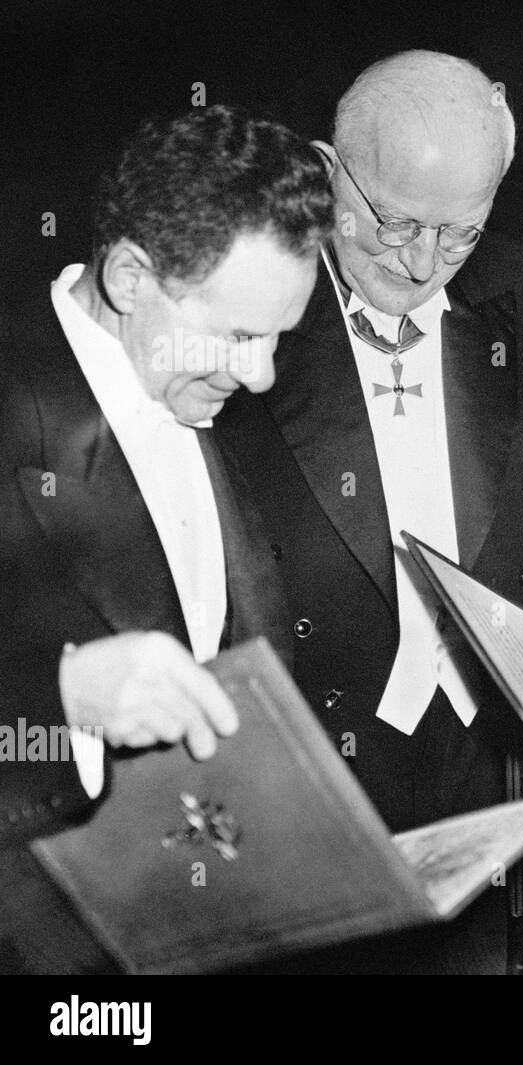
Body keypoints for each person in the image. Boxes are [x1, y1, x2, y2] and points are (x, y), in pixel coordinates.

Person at [215, 51, 523, 973]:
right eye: (393, 221)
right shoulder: (252, 298)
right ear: (325, 170)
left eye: (458, 234)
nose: (422, 262)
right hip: (294, 787)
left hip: (477, 788)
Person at [0, 104, 332, 970]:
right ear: (130, 278)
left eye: (277, 339)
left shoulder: (190, 380)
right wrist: (61, 696)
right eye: (238, 335)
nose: (260, 374)